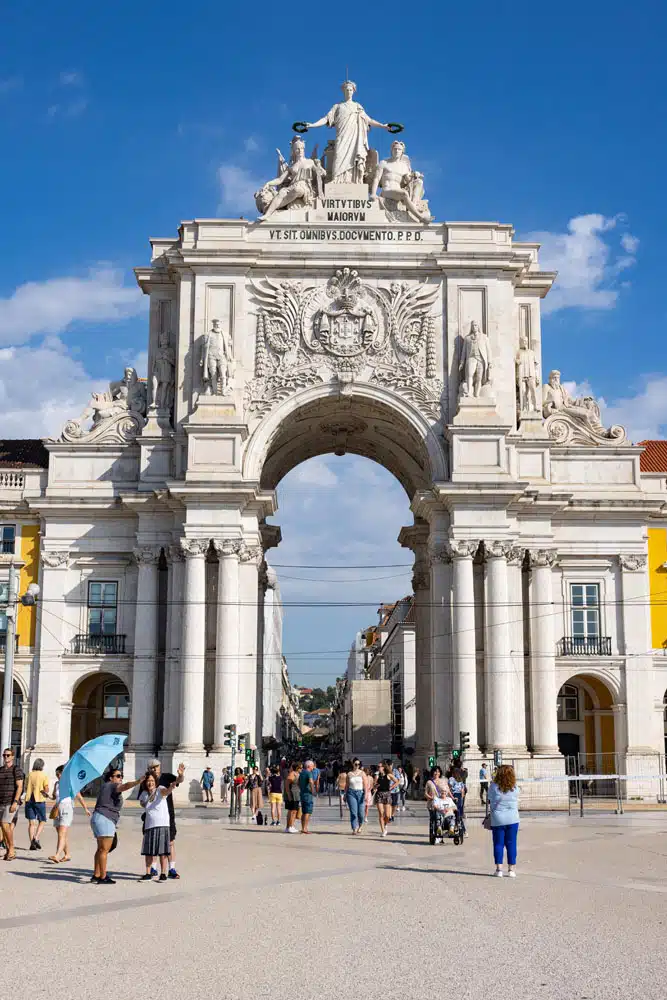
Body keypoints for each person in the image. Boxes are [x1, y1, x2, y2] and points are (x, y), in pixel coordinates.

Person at [91, 768, 142, 884]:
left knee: (100, 849)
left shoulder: (105, 786)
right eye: (118, 776)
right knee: (104, 850)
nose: (120, 778)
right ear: (111, 777)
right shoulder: (112, 785)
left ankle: (96, 874)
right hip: (106, 818)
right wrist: (138, 782)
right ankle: (103, 877)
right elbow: (125, 786)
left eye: (121, 776)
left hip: (98, 817)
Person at [146, 758, 186, 879]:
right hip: (152, 816)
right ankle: (153, 868)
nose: (154, 769)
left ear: (160, 767)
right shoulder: (147, 780)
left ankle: (171, 868)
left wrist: (181, 775)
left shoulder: (166, 777)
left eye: (156, 767)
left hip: (167, 814)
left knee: (170, 842)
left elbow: (178, 781)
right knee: (153, 842)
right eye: (152, 768)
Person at [139, 770, 180, 882]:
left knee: (163, 851)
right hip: (149, 825)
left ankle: (163, 873)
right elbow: (143, 804)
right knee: (149, 851)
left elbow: (167, 791)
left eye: (152, 781)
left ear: (155, 781)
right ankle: (148, 873)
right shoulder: (144, 793)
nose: (150, 783)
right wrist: (149, 795)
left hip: (162, 824)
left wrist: (172, 786)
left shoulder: (160, 789)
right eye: (148, 781)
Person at [49, 764, 90, 863]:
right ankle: (67, 855)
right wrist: (48, 796)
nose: (58, 776)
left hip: (67, 808)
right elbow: (54, 797)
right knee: (61, 834)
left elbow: (79, 797)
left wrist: (86, 809)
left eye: (59, 774)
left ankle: (57, 855)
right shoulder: (57, 784)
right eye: (57, 774)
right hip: (57, 808)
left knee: (62, 833)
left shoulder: (71, 783)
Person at [489, 764, 520, 877]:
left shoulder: (493, 786)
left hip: (498, 818)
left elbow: (489, 799)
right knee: (512, 844)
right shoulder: (515, 787)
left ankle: (499, 870)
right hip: (513, 818)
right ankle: (511, 870)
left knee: (498, 844)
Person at [0, 747, 23, 860]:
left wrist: (15, 802)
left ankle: (12, 849)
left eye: (8, 755)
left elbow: (19, 787)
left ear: (13, 756)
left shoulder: (16, 769)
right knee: (3, 827)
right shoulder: (0, 770)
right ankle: (9, 851)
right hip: (1, 801)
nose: (6, 757)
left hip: (11, 801)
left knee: (5, 824)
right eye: (4, 755)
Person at [424, 766, 456, 844]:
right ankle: (437, 835)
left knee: (447, 817)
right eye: (435, 771)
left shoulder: (443, 781)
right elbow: (425, 793)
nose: (437, 773)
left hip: (443, 803)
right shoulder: (429, 782)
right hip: (433, 804)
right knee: (434, 819)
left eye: (438, 771)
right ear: (432, 772)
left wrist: (452, 798)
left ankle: (444, 833)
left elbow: (448, 790)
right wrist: (430, 797)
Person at [24, 758, 50, 851]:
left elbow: (26, 787)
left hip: (29, 800)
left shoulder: (29, 775)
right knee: (42, 820)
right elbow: (46, 788)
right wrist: (45, 792)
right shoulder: (44, 775)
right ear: (42, 766)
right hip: (39, 799)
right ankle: (36, 838)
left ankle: (32, 843)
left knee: (31, 823)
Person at [374, 762, 397, 837]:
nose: (378, 768)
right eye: (378, 767)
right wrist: (375, 786)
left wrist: (391, 787)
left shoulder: (389, 775)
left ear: (383, 767)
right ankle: (383, 831)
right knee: (381, 813)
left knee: (387, 815)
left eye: (379, 766)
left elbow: (397, 781)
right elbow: (374, 786)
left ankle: (385, 824)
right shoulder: (377, 776)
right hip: (379, 794)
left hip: (387, 794)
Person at [345, 759, 367, 835]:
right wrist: (345, 794)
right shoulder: (349, 774)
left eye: (358, 764)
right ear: (353, 764)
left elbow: (365, 785)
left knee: (361, 813)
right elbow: (347, 785)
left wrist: (366, 794)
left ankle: (360, 826)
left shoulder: (362, 773)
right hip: (351, 793)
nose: (357, 765)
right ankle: (354, 828)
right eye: (356, 764)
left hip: (360, 793)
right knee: (353, 812)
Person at [298, 760, 316, 834]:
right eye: (312, 766)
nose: (313, 767)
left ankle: (303, 827)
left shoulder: (302, 773)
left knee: (304, 812)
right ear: (308, 766)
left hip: (302, 794)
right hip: (308, 794)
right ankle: (305, 828)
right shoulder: (309, 773)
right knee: (308, 812)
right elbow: (311, 782)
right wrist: (313, 790)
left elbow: (299, 783)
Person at [284, 761, 300, 834]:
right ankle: (290, 826)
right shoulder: (292, 774)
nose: (301, 769)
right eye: (300, 767)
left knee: (294, 811)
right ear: (297, 768)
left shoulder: (297, 774)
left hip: (296, 794)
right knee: (292, 811)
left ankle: (290, 826)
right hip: (292, 794)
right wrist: (289, 795)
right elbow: (287, 785)